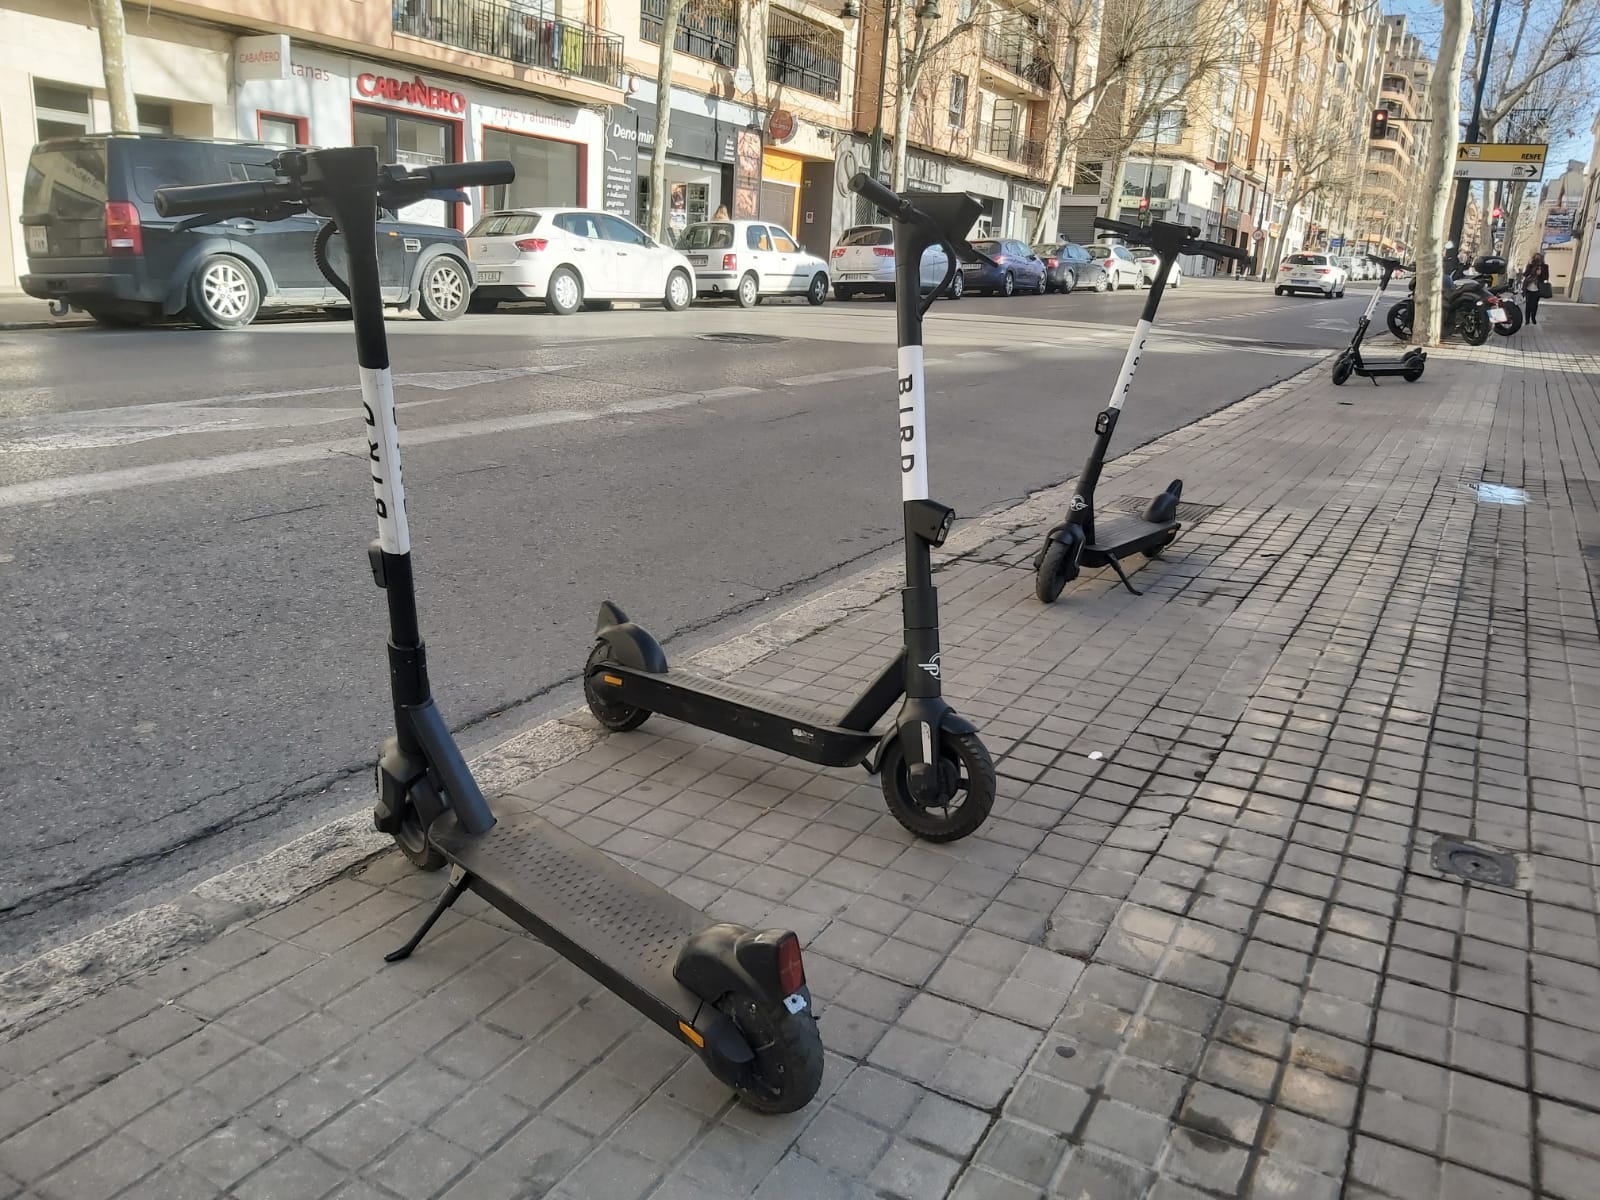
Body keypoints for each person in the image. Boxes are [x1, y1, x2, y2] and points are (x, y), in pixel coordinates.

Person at [1521, 253, 1550, 324]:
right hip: (1528, 288)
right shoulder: (1530, 265)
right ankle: (1527, 320)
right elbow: (1525, 274)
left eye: (1539, 258)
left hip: (1538, 289)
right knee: (1528, 305)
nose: (1537, 260)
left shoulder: (1545, 267)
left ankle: (1533, 317)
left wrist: (1540, 274)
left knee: (1534, 305)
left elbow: (1546, 277)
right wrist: (1530, 270)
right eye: (1536, 258)